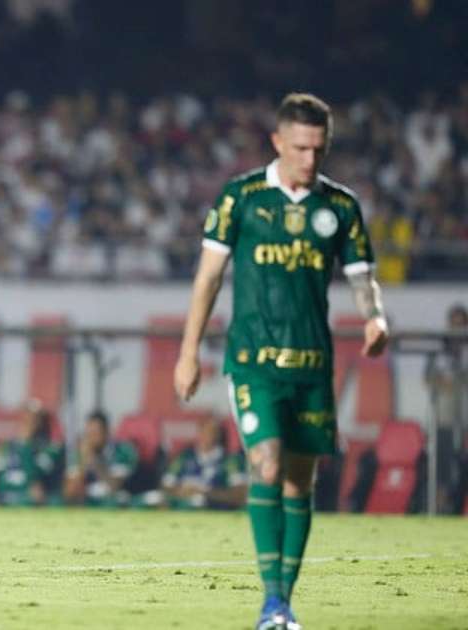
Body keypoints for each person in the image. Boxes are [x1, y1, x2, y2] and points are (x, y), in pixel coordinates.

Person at [174, 93, 389, 630]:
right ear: (277, 142)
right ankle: (271, 601)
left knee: (299, 482)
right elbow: (208, 278)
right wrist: (188, 352)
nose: (309, 159)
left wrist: (375, 317)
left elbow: (363, 275)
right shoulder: (241, 198)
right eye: (299, 147)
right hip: (254, 361)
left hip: (312, 364)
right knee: (265, 463)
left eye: (318, 148)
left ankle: (282, 603)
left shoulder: (339, 207)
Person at [425, 303, 466, 513]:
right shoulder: (438, 352)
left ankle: (456, 508)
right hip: (442, 419)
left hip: (463, 421)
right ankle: (439, 508)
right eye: (454, 324)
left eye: (461, 324)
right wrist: (442, 382)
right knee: (441, 469)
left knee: (460, 468)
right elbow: (428, 380)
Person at [160, 417, 248, 510]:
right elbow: (165, 485)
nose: (204, 436)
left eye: (210, 433)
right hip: (180, 505)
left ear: (218, 436)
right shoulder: (184, 457)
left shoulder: (231, 461)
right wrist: (179, 492)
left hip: (212, 510)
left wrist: (203, 492)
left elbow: (240, 495)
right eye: (202, 431)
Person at [0, 401, 64, 507]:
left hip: (30, 502)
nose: (30, 421)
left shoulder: (51, 449)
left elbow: (36, 477)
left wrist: (26, 445)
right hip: (5, 500)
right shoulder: (4, 446)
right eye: (27, 416)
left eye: (34, 418)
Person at [62, 410, 137, 507]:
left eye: (95, 433)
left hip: (116, 504)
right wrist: (82, 464)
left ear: (106, 433)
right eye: (88, 434)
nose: (90, 438)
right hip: (88, 504)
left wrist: (94, 461)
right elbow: (69, 494)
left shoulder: (122, 451)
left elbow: (114, 486)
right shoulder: (80, 453)